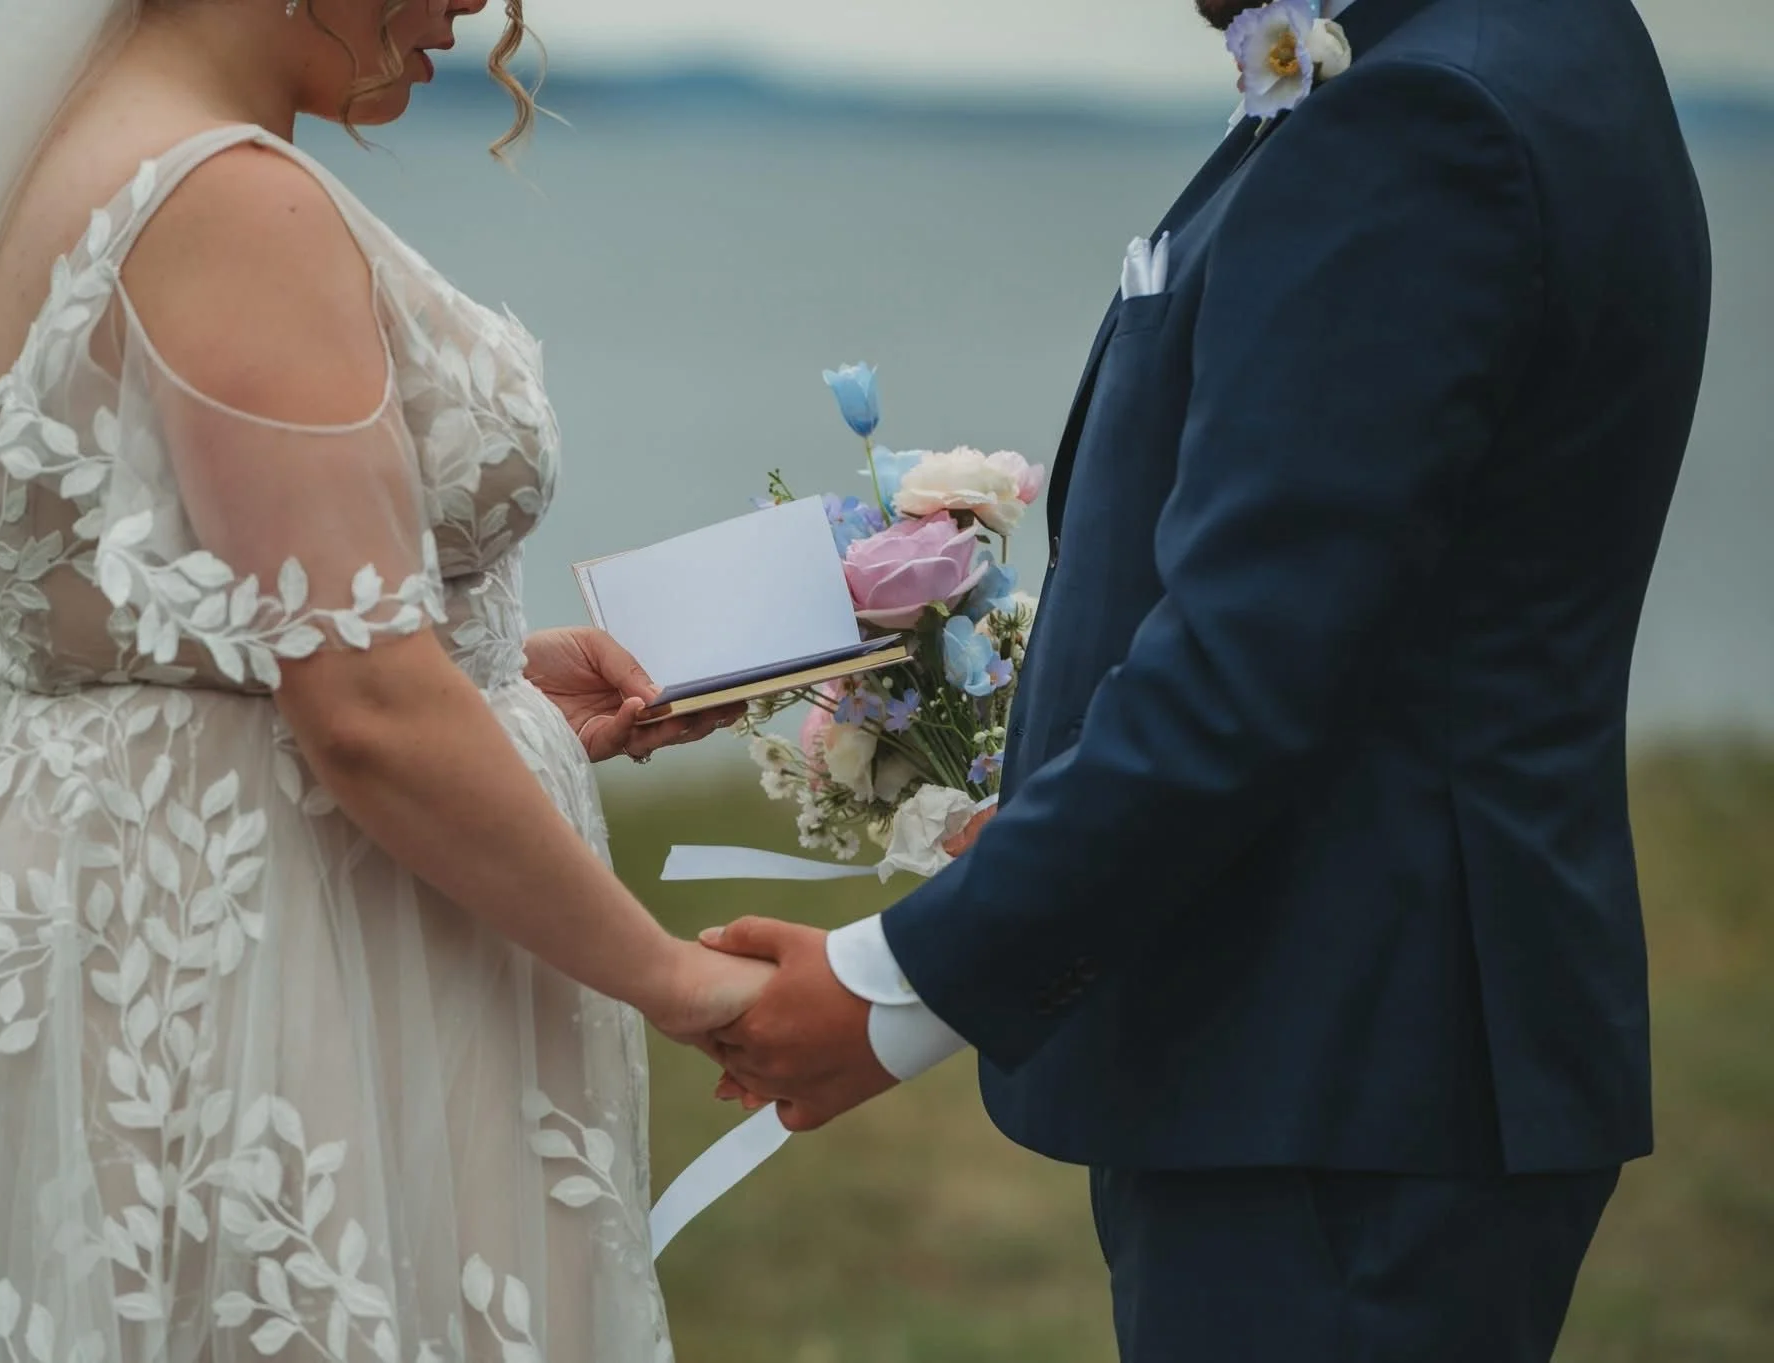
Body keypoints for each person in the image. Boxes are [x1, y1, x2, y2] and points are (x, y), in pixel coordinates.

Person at [704, 0, 1713, 1359]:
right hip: (1373, 1063)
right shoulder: (1545, 49)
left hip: (1333, 1078)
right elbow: (1380, 612)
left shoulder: (1422, 118)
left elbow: (1253, 654)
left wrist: (897, 989)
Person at [0, 2, 764, 1359]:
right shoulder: (233, 203)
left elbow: (168, 633)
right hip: (275, 981)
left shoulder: (65, 161)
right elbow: (359, 712)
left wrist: (493, 687)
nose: (475, 8)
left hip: (138, 931)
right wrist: (679, 982)